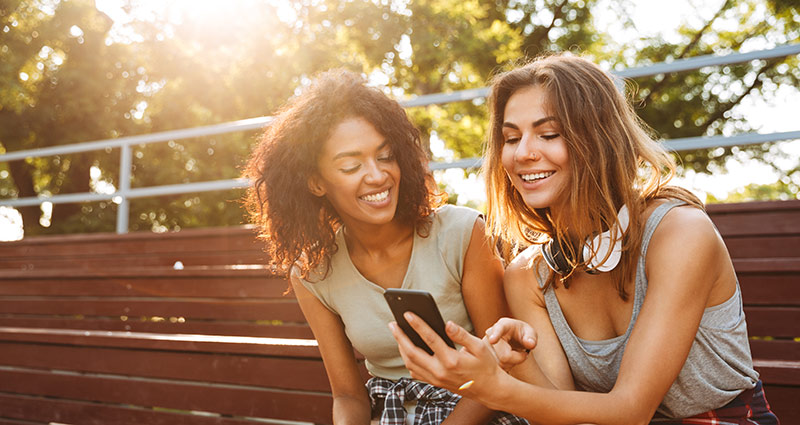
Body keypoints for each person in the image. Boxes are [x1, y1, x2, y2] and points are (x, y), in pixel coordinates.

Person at [389, 54, 779, 424]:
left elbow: (631, 411)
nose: (523, 153)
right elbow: (559, 414)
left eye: (549, 134)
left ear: (600, 139)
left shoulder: (679, 233)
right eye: (511, 138)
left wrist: (494, 387)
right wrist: (517, 361)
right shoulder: (528, 274)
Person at [243, 69, 528, 425]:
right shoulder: (313, 272)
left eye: (385, 155)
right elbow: (348, 395)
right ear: (315, 183)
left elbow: (503, 362)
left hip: (476, 411)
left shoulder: (461, 232)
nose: (377, 176)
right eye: (350, 166)